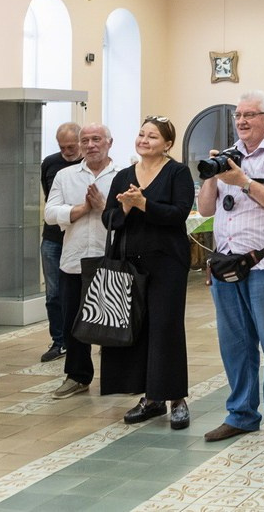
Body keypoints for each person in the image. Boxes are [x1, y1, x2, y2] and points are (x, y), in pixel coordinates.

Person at [197, 90, 264, 448]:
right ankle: (241, 414)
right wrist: (212, 175)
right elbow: (207, 210)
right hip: (228, 262)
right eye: (238, 115)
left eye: (250, 115)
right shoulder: (229, 156)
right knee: (235, 344)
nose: (241, 121)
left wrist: (244, 182)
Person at [100, 116, 194, 429]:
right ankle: (151, 399)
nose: (144, 140)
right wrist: (126, 208)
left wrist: (143, 204)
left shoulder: (177, 172)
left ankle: (176, 397)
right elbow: (108, 219)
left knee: (166, 328)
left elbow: (178, 214)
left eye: (152, 136)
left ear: (167, 144)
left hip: (167, 262)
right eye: (141, 134)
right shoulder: (125, 174)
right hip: (130, 263)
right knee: (138, 331)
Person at [44, 124, 118, 399]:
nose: (90, 145)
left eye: (96, 139)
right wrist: (81, 209)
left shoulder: (123, 175)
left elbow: (129, 215)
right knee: (73, 321)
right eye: (85, 140)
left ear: (109, 142)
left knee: (112, 322)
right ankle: (77, 376)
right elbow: (50, 213)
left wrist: (102, 207)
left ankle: (117, 378)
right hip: (74, 260)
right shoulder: (66, 176)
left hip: (109, 257)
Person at [39, 122, 82, 363]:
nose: (67, 151)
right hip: (54, 237)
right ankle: (59, 341)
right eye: (62, 147)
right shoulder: (51, 163)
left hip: (80, 236)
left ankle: (92, 336)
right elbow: (51, 200)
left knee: (85, 292)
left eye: (71, 146)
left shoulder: (89, 163)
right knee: (54, 294)